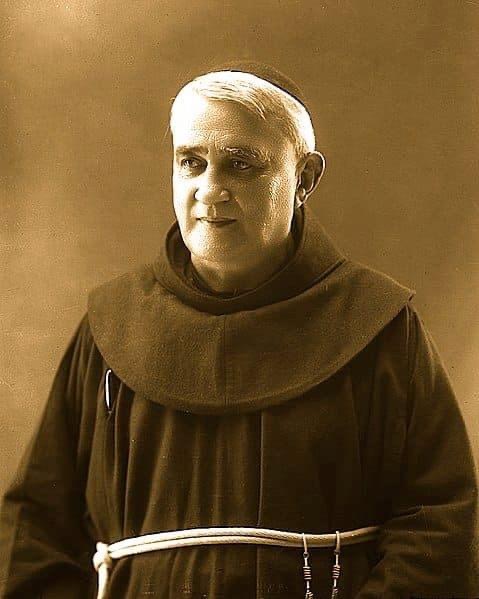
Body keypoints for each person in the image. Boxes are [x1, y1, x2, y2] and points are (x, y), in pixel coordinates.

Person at [0, 62, 478, 599]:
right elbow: (34, 531)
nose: (210, 190)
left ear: (304, 179)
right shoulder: (110, 328)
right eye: (192, 162)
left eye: (240, 165)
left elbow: (440, 524)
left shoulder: (379, 326)